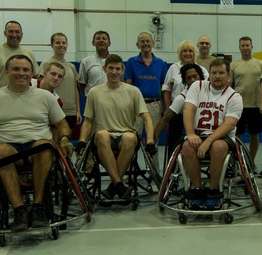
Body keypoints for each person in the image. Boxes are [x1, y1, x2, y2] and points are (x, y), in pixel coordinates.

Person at [0, 55, 73, 233]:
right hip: (8, 149)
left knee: (45, 146)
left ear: (32, 73)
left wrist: (64, 138)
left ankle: (38, 207)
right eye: (16, 69)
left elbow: (62, 124)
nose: (21, 73)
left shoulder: (45, 97)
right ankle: (19, 211)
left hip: (37, 148)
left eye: (26, 70)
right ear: (7, 72)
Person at [81, 54, 156, 201]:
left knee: (129, 137)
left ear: (122, 71)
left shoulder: (133, 91)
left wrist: (151, 140)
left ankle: (114, 186)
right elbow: (88, 121)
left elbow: (147, 118)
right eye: (111, 68)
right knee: (101, 134)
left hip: (126, 136)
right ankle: (119, 185)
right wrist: (82, 140)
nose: (114, 72)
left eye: (117, 69)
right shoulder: (94, 92)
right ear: (104, 69)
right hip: (104, 137)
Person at [182, 59, 244, 210]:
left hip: (222, 137)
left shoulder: (234, 97)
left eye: (221, 73)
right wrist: (190, 133)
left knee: (218, 147)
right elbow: (188, 109)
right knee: (187, 147)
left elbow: (229, 124)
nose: (217, 76)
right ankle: (197, 190)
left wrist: (208, 141)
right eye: (214, 73)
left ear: (228, 75)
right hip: (198, 133)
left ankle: (213, 190)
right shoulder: (198, 86)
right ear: (209, 75)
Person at [124, 31, 169, 136]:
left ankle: (152, 153)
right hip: (136, 105)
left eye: (148, 41)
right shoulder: (131, 62)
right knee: (133, 137)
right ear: (137, 45)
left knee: (153, 138)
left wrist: (165, 108)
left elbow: (164, 87)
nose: (145, 43)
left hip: (155, 105)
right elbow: (128, 86)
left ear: (152, 43)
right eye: (142, 41)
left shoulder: (160, 63)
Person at [230, 36, 262, 164]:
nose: (245, 48)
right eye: (243, 45)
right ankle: (236, 162)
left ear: (252, 47)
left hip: (255, 106)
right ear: (239, 47)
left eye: (247, 45)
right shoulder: (234, 65)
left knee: (254, 135)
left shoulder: (261, 65)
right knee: (236, 135)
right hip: (238, 106)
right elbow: (229, 85)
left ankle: (251, 162)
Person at [152, 63, 204, 147]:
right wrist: (152, 141)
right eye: (189, 78)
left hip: (208, 130)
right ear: (184, 81)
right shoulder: (182, 98)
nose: (193, 80)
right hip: (190, 128)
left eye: (195, 76)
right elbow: (164, 120)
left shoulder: (210, 92)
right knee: (175, 126)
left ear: (201, 77)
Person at [0, 21, 39, 92]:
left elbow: (35, 77)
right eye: (11, 31)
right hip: (1, 97)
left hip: (24, 97)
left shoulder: (29, 53)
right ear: (5, 33)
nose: (14, 35)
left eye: (17, 32)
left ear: (22, 34)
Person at [40, 32, 81, 130]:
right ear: (52, 45)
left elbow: (75, 89)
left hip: (70, 111)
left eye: (64, 43)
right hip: (53, 109)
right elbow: (40, 88)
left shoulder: (71, 66)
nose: (61, 45)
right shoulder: (46, 63)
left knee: (66, 142)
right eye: (58, 43)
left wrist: (78, 110)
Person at [78, 30, 111, 97]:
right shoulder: (86, 61)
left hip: (112, 98)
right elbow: (82, 83)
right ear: (93, 43)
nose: (101, 40)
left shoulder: (116, 61)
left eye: (104, 39)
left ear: (109, 43)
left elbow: (121, 81)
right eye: (98, 38)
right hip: (92, 99)